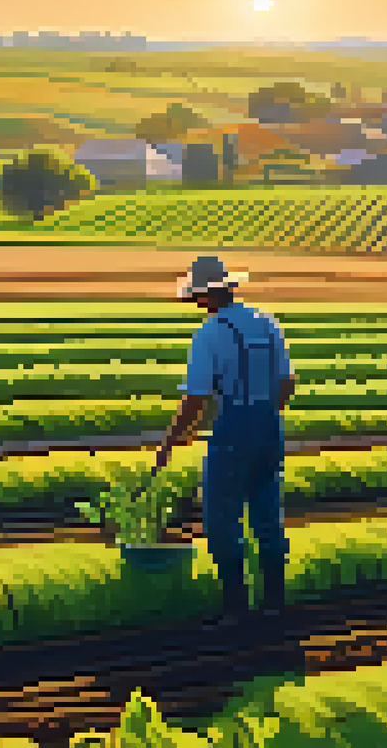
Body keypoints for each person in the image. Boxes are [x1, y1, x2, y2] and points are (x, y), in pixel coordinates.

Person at [152, 256, 296, 626]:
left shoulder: (210, 333)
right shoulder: (267, 322)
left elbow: (195, 399)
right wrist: (265, 413)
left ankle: (235, 608)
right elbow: (287, 383)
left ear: (207, 295)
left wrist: (169, 444)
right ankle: (275, 605)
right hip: (269, 427)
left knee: (221, 518)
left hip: (233, 429)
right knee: (267, 516)